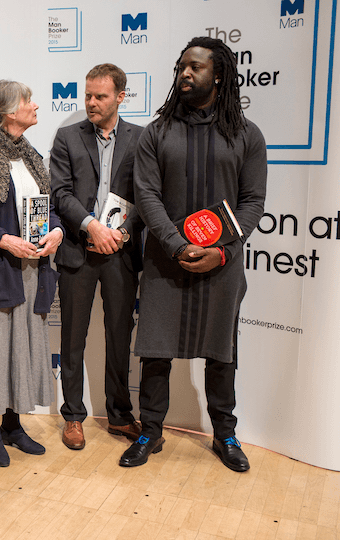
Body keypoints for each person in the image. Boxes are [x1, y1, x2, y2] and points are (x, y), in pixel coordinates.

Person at [119, 37, 267, 471]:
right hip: (167, 263)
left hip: (222, 267)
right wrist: (177, 244)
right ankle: (150, 431)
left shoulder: (246, 134)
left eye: (195, 67)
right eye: (181, 66)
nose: (184, 73)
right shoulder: (157, 132)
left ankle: (225, 434)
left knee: (222, 354)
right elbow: (146, 195)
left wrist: (220, 254)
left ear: (218, 75)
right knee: (155, 352)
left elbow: (253, 201)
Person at [50, 64, 145, 450]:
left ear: (120, 97)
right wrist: (92, 226)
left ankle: (120, 415)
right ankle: (73, 417)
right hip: (77, 251)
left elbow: (148, 196)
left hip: (120, 254)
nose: (90, 102)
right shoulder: (67, 137)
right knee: (72, 338)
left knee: (119, 337)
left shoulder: (143, 138)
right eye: (87, 95)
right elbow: (61, 192)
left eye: (100, 96)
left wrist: (120, 233)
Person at [0, 80, 64, 467]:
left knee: (21, 348)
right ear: (10, 112)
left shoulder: (30, 155)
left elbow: (47, 206)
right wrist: (5, 242)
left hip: (33, 270)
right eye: (28, 101)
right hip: (1, 270)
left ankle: (13, 425)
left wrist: (57, 230)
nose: (35, 105)